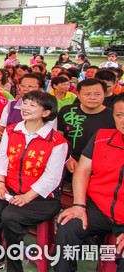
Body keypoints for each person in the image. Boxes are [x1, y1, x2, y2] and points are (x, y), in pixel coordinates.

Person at [0, 91, 67, 272]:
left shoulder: (57, 142)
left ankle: (14, 266)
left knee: (10, 216)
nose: (25, 108)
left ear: (46, 113)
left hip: (41, 196)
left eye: (32, 105)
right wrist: (1, 183)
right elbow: (2, 158)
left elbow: (52, 177)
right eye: (25, 103)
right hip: (9, 187)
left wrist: (28, 196)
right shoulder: (12, 131)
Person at [54, 93, 124, 272]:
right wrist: (79, 204)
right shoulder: (102, 137)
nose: (123, 120)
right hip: (99, 207)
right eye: (119, 115)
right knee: (67, 226)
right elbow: (83, 170)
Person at [58, 79, 115, 178]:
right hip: (67, 166)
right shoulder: (66, 111)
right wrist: (67, 158)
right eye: (87, 94)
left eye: (97, 94)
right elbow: (59, 138)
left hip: (98, 170)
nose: (92, 98)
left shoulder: (113, 116)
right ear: (78, 95)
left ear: (104, 95)